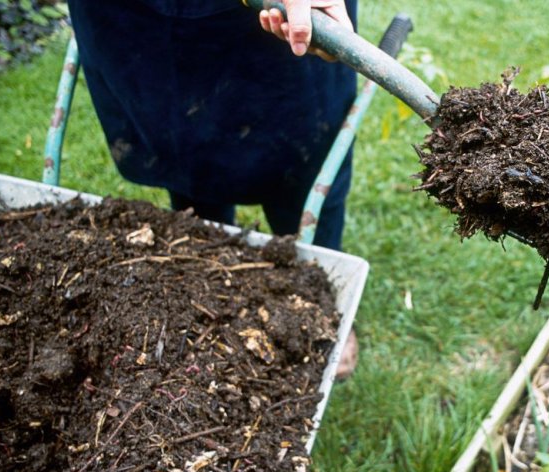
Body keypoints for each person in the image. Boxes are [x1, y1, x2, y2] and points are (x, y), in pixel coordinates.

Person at [67, 0, 359, 376]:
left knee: (308, 166)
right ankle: (211, 290)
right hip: (142, 24)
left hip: (272, 34)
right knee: (184, 153)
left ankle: (320, 301)